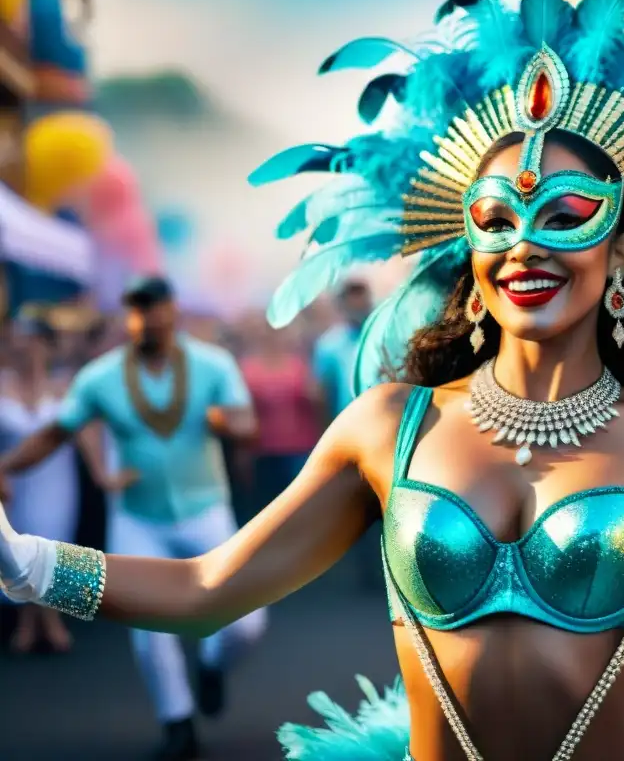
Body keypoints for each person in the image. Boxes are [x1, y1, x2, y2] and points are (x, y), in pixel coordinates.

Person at [1, 0, 624, 761]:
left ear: (620, 252)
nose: (524, 244)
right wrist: (30, 565)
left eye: (565, 216)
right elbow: (205, 591)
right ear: (469, 250)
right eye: (495, 219)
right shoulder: (388, 426)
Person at [0, 277, 267, 761]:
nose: (147, 318)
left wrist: (226, 423)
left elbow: (248, 424)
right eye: (137, 309)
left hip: (206, 510)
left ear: (173, 310)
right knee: (148, 625)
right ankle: (177, 721)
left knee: (246, 624)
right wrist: (4, 466)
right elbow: (56, 433)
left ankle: (212, 664)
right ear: (128, 316)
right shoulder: (100, 377)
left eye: (155, 307)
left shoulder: (213, 364)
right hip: (138, 518)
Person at [0, 315, 81, 653]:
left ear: (47, 345)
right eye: (20, 340)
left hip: (56, 480)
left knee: (55, 543)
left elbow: (87, 434)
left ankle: (49, 619)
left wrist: (104, 474)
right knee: (19, 545)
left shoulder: (65, 385)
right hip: (14, 481)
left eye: (33, 341)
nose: (24, 347)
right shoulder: (2, 384)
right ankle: (29, 622)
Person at [240, 320, 322, 521]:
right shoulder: (249, 369)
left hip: (298, 450)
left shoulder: (300, 366)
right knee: (266, 513)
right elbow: (243, 412)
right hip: (262, 451)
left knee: (298, 511)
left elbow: (317, 404)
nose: (275, 337)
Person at [312, 278, 373, 420]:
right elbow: (320, 392)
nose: (358, 304)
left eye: (361, 298)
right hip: (345, 422)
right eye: (353, 300)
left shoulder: (383, 338)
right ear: (343, 304)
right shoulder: (329, 345)